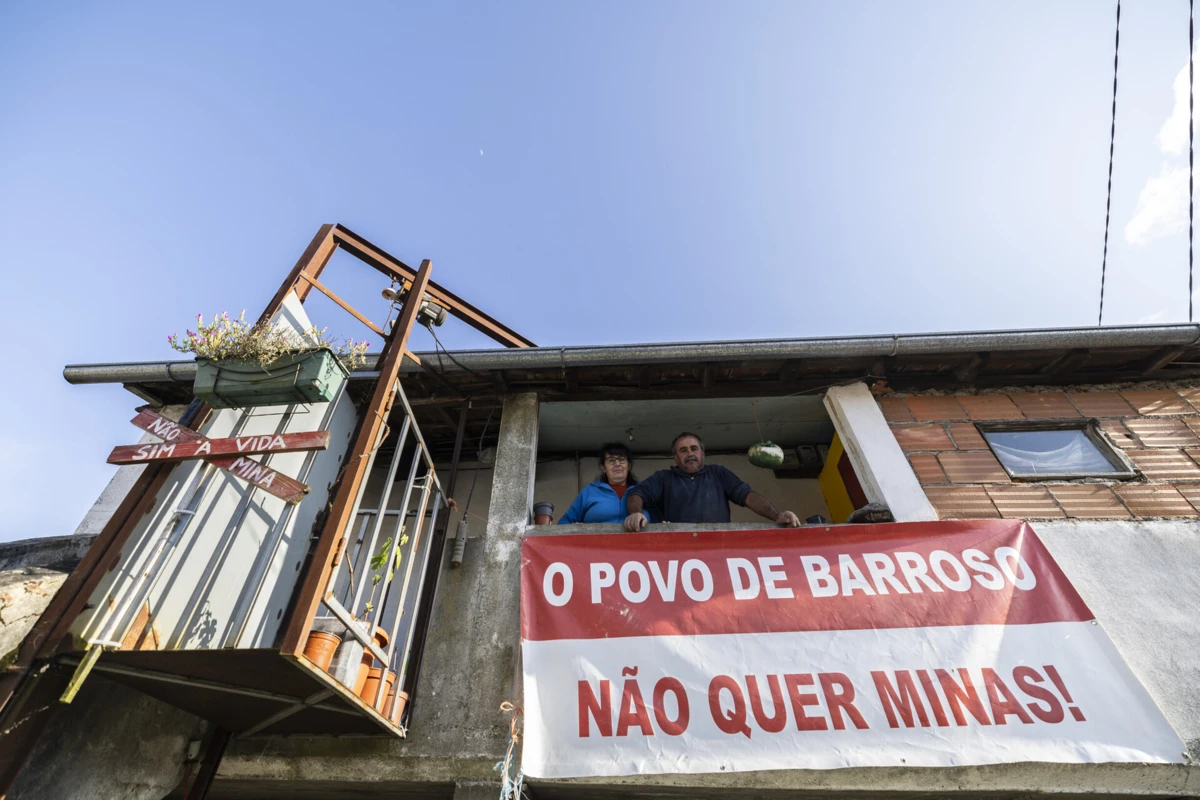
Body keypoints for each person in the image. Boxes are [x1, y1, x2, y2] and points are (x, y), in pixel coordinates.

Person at [624, 432, 801, 531]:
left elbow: (747, 496)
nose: (690, 453)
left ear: (702, 454)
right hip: (679, 547)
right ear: (676, 458)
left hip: (718, 545)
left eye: (694, 449)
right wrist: (636, 513)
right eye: (683, 450)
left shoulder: (718, 473)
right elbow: (635, 494)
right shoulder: (663, 477)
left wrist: (776, 515)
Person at [558, 443, 653, 525]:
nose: (617, 464)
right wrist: (574, 528)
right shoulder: (589, 492)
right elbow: (564, 522)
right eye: (611, 460)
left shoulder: (644, 491)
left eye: (622, 459)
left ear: (629, 466)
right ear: (604, 468)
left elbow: (657, 521)